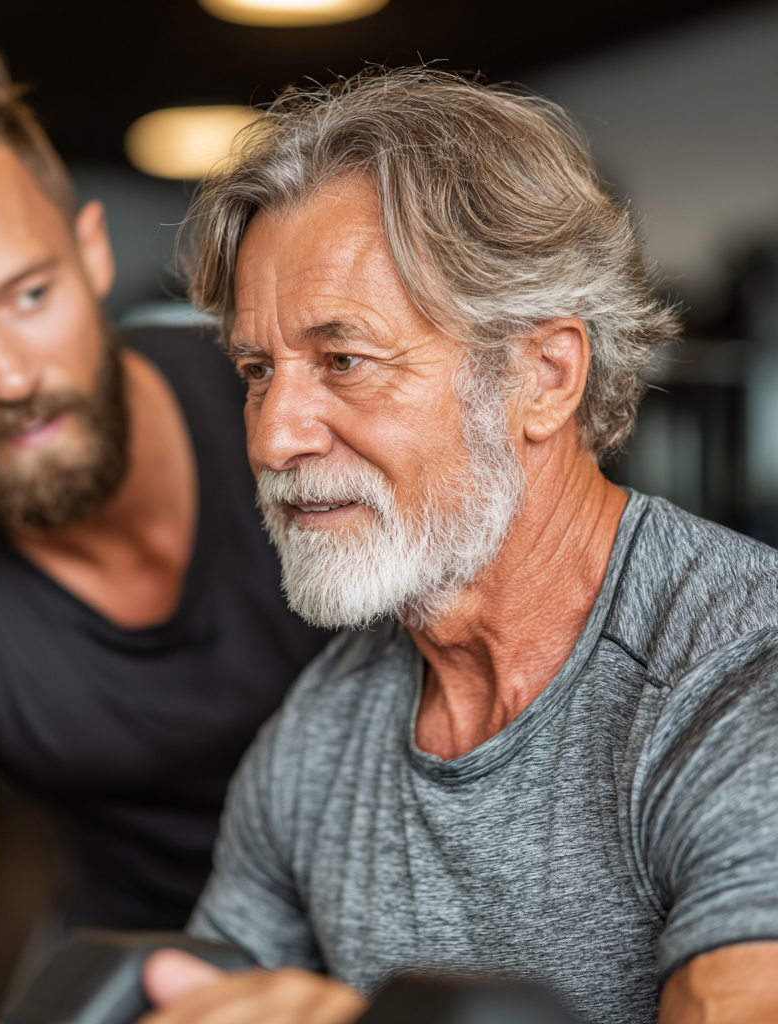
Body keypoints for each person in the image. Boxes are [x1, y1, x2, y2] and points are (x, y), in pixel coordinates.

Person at [138, 69, 778, 1024]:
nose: (274, 437)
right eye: (258, 370)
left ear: (545, 374)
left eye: (343, 361)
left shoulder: (737, 668)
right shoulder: (322, 730)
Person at [0, 29, 330, 1023]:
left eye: (27, 295)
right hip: (156, 989)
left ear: (90, 251)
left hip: (431, 942)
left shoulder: (298, 425)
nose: (9, 377)